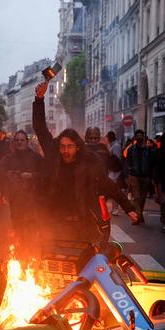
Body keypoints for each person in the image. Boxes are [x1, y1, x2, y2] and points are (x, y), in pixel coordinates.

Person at [33, 81, 138, 240]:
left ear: (77, 147)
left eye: (69, 147)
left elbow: (108, 185)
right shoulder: (54, 157)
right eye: (62, 146)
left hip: (82, 224)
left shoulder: (88, 163)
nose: (65, 151)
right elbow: (40, 127)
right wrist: (39, 99)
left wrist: (128, 207)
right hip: (54, 222)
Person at [2, 130, 44, 256]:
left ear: (27, 142)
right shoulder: (8, 158)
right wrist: (8, 175)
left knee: (31, 227)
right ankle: (20, 252)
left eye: (22, 140)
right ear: (14, 142)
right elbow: (0, 174)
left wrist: (32, 176)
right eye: (17, 140)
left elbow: (44, 175)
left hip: (32, 199)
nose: (19, 142)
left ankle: (32, 253)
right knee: (18, 227)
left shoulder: (35, 157)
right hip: (16, 199)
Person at [124, 129, 155, 223]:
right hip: (134, 175)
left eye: (141, 135)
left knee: (142, 197)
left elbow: (151, 163)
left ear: (143, 136)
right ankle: (138, 216)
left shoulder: (148, 149)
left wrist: (151, 176)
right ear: (135, 137)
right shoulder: (131, 149)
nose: (139, 137)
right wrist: (128, 174)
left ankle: (139, 213)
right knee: (136, 197)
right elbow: (128, 162)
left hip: (145, 176)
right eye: (137, 135)